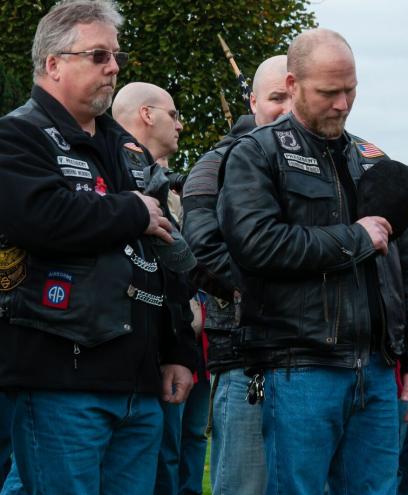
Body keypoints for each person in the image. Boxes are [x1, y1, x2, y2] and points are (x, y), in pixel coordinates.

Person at [217, 28, 408, 494]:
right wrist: (351, 239)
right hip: (299, 365)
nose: (342, 103)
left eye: (350, 90)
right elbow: (254, 244)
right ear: (292, 85)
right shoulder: (255, 153)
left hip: (378, 370)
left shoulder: (371, 159)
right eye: (328, 92)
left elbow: (407, 271)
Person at [0, 1, 197, 493]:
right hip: (59, 379)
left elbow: (164, 255)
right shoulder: (17, 135)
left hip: (137, 382)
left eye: (116, 56)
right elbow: (42, 218)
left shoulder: (128, 149)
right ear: (53, 64)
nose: (113, 67)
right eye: (98, 55)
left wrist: (179, 347)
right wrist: (133, 211)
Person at [181, 54, 290, 495]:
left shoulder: (333, 164)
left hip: (317, 359)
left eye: (293, 96)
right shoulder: (217, 163)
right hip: (245, 355)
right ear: (253, 100)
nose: (285, 108)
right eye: (276, 97)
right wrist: (271, 294)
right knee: (245, 484)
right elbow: (200, 252)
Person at [112, 83, 209, 495]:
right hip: (105, 353)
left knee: (162, 465)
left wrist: (179, 348)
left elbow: (174, 276)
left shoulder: (160, 182)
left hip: (158, 352)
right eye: (173, 114)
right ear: (147, 115)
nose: (181, 125)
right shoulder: (110, 170)